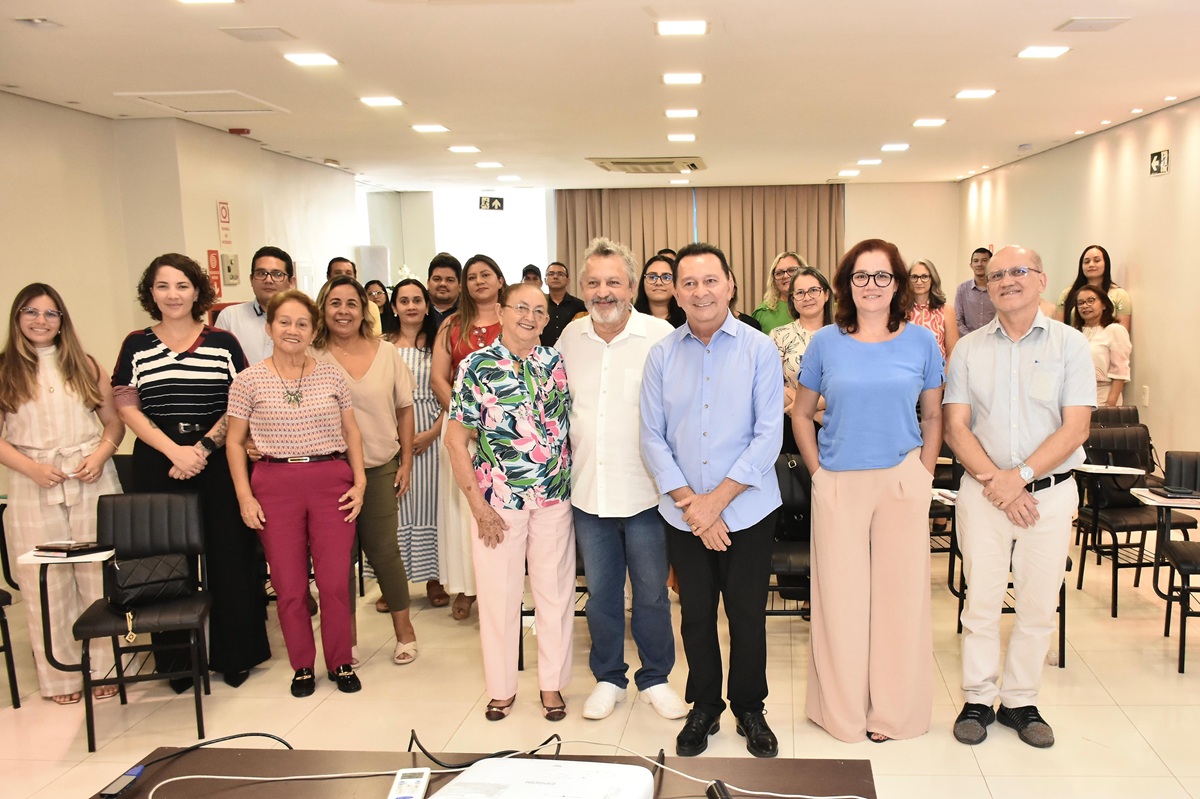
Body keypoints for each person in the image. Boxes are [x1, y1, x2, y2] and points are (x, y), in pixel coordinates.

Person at [793, 238, 944, 744]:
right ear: (847, 284)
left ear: (898, 284)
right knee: (841, 602)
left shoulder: (922, 341)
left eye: (883, 276)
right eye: (861, 276)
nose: (872, 285)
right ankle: (842, 711)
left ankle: (894, 714)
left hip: (902, 480)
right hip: (838, 481)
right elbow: (801, 412)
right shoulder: (826, 343)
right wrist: (817, 474)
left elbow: (934, 413)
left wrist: (923, 472)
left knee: (900, 602)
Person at [944, 245, 1094, 749]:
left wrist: (1022, 477)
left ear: (1040, 280)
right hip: (984, 493)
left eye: (1019, 271)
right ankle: (978, 698)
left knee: (1036, 603)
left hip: (1049, 496)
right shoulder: (968, 349)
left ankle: (1021, 701)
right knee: (981, 600)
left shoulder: (1070, 345)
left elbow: (1076, 427)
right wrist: (999, 483)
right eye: (998, 273)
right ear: (985, 285)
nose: (1007, 279)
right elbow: (955, 426)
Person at [640, 242, 783, 758]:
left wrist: (714, 503)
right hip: (684, 514)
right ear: (676, 292)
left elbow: (768, 435)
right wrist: (692, 505)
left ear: (730, 285)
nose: (700, 291)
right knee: (697, 614)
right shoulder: (661, 354)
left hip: (746, 510)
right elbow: (652, 437)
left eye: (710, 281)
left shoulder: (759, 349)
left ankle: (749, 707)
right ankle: (705, 705)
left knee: (746, 613)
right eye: (689, 283)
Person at [112, 253, 271, 690]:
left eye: (182, 285)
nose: (173, 295)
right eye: (163, 286)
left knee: (230, 556)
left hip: (216, 457)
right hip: (156, 458)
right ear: (151, 294)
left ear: (197, 291)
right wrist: (173, 451)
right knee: (165, 562)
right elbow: (126, 403)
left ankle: (236, 653)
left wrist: (200, 448)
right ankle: (176, 661)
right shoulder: (136, 344)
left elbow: (238, 404)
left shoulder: (223, 343)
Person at [555, 237, 687, 722]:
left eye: (613, 281)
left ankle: (655, 678)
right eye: (594, 282)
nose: (603, 291)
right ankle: (608, 677)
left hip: (647, 494)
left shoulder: (662, 337)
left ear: (631, 286)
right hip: (589, 492)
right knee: (602, 597)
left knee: (652, 594)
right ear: (583, 288)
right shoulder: (569, 339)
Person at [226, 289, 368, 696]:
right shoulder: (248, 380)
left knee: (334, 582)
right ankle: (302, 665)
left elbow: (351, 431)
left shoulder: (330, 375)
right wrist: (244, 496)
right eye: (284, 322)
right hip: (274, 486)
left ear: (313, 330)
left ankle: (340, 661)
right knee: (288, 585)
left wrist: (359, 482)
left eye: (302, 323)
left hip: (330, 482)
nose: (293, 330)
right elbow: (235, 443)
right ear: (269, 328)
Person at [445, 282, 574, 722]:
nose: (531, 317)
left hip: (554, 497)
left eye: (539, 310)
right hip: (498, 502)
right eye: (522, 307)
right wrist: (477, 507)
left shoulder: (554, 361)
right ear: (501, 311)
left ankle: (552, 685)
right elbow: (455, 441)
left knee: (554, 595)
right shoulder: (476, 366)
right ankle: (501, 689)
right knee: (499, 596)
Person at [0, 284, 123, 705]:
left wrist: (101, 455)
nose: (40, 321)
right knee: (45, 583)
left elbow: (113, 424)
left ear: (62, 320)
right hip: (32, 481)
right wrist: (32, 468)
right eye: (31, 312)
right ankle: (61, 678)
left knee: (97, 578)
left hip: (90, 476)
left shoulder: (85, 366)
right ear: (18, 317)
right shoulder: (4, 369)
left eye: (51, 313)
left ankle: (105, 669)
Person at [313, 276, 418, 661]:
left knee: (384, 551)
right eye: (335, 303)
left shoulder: (386, 353)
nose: (343, 311)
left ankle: (405, 632)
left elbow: (405, 409)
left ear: (364, 310)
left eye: (351, 303)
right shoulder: (311, 354)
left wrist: (404, 461)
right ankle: (346, 641)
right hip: (328, 471)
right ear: (323, 309)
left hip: (377, 467)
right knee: (336, 560)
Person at [430, 254, 506, 620]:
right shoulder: (452, 325)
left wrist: (493, 423)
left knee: (502, 505)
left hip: (507, 432)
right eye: (471, 276)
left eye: (485, 274)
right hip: (461, 430)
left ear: (500, 279)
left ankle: (499, 586)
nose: (478, 281)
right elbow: (438, 379)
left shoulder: (514, 320)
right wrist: (468, 418)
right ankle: (466, 588)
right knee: (464, 509)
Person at [389, 279, 447, 606]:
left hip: (433, 434)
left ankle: (434, 580)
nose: (411, 306)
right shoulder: (382, 345)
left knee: (431, 505)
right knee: (396, 509)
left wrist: (433, 432)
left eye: (417, 300)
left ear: (427, 306)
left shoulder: (438, 344)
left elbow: (448, 393)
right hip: (394, 434)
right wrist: (399, 439)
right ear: (394, 306)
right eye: (403, 300)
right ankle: (392, 583)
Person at [215, 245, 296, 365]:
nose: (268, 280)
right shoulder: (230, 317)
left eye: (277, 274)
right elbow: (218, 364)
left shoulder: (303, 319)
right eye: (261, 273)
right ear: (251, 279)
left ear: (291, 282)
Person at [770, 266, 833, 418]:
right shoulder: (779, 335)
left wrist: (805, 406)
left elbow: (848, 390)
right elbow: (769, 387)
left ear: (826, 294)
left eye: (813, 290)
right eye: (800, 293)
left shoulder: (844, 335)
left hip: (833, 424)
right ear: (793, 299)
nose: (807, 297)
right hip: (789, 419)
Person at [1069, 286, 1131, 407]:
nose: (1085, 306)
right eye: (1080, 303)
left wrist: (1110, 404)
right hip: (1075, 398)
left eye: (1091, 300)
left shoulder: (1115, 330)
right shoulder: (1073, 333)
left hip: (1103, 397)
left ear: (1104, 304)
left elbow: (1120, 372)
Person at [1053, 244, 1133, 332]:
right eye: (1086, 262)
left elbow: (1122, 334)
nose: (1091, 265)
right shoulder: (1068, 293)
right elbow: (1057, 331)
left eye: (1097, 260)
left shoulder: (1120, 295)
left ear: (1106, 264)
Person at [908, 258, 959, 361]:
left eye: (924, 277)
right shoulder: (900, 311)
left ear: (932, 279)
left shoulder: (946, 311)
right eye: (914, 277)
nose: (919, 281)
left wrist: (943, 376)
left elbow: (952, 352)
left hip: (938, 374)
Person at [752, 252, 809, 334]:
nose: (785, 276)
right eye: (779, 273)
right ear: (773, 280)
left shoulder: (820, 306)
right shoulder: (762, 312)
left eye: (792, 270)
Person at [327, 257, 382, 336]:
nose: (344, 277)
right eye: (338, 273)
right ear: (328, 277)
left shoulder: (370, 307)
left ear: (355, 277)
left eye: (348, 273)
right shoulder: (319, 307)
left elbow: (375, 338)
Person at [540, 261, 586, 347]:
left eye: (560, 274)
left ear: (568, 281)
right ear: (545, 280)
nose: (555, 277)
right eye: (551, 274)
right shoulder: (539, 304)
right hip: (543, 355)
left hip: (571, 354)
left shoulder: (580, 306)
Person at [634, 254, 686, 328]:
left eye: (666, 277)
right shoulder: (630, 320)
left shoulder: (688, 321)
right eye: (652, 277)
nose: (658, 283)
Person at [954, 247, 995, 336]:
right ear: (971, 265)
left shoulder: (998, 288)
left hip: (994, 342)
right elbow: (958, 320)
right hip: (968, 342)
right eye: (976, 261)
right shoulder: (962, 289)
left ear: (991, 264)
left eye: (984, 260)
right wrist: (972, 338)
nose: (979, 264)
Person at [427, 253, 462, 331]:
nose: (443, 284)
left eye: (450, 280)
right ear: (428, 283)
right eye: (437, 279)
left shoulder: (469, 311)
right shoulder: (417, 308)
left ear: (460, 286)